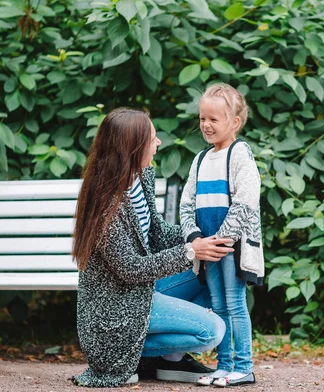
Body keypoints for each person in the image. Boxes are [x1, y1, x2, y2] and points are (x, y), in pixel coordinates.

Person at [71, 107, 235, 387]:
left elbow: (156, 231)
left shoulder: (140, 176)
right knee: (212, 331)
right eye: (152, 139)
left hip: (142, 293)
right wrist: (190, 251)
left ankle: (171, 361)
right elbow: (131, 269)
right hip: (116, 310)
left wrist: (202, 236)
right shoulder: (106, 205)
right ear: (132, 148)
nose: (158, 143)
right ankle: (128, 354)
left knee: (214, 268)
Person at [180, 83, 265, 387]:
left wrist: (225, 239)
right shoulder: (201, 160)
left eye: (214, 119)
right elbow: (187, 203)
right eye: (203, 118)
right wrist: (193, 239)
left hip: (231, 246)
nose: (206, 125)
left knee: (234, 302)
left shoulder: (239, 154)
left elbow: (247, 198)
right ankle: (224, 364)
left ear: (234, 123)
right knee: (217, 304)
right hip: (207, 247)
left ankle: (243, 365)